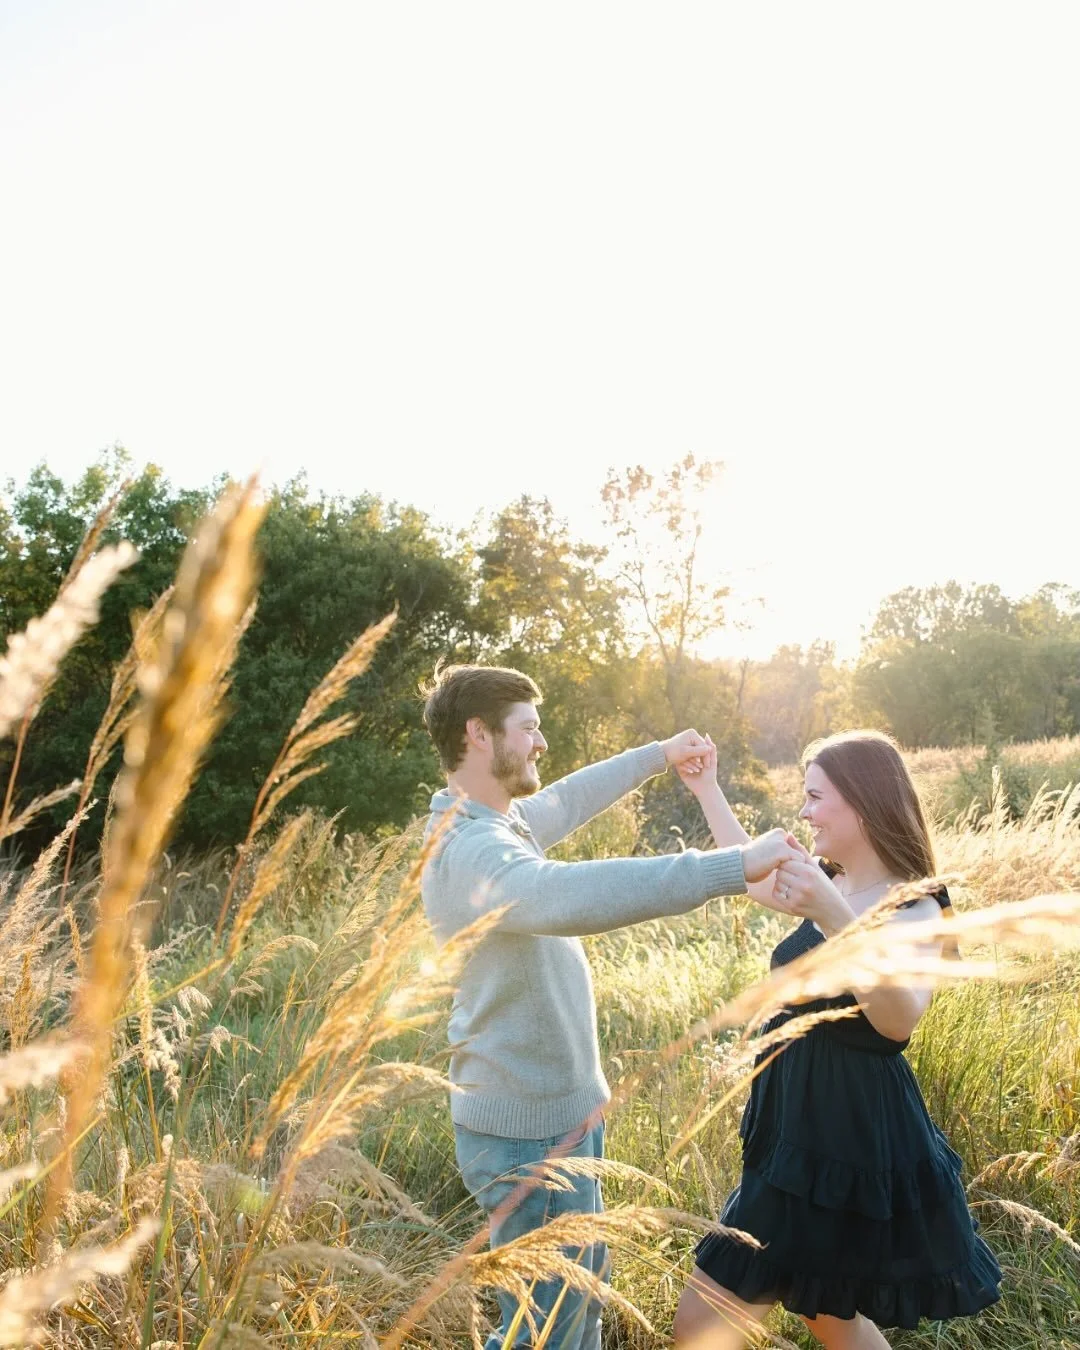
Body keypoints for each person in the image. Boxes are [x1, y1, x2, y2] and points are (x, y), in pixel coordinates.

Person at [419, 663, 802, 1350]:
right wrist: (730, 866)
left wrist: (660, 756)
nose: (541, 743)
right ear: (478, 735)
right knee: (550, 1330)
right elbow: (564, 895)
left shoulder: (497, 821)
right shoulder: (468, 848)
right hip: (522, 1130)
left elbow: (566, 801)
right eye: (529, 728)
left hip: (559, 1112)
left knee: (573, 1308)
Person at [672, 730, 1002, 1349]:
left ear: (862, 802)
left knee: (702, 1326)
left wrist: (830, 914)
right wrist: (706, 787)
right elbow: (752, 877)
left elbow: (898, 1019)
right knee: (826, 1313)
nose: (803, 812)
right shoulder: (836, 881)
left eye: (815, 796)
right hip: (795, 1134)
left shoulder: (916, 906)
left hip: (845, 1138)